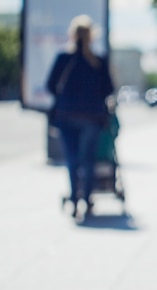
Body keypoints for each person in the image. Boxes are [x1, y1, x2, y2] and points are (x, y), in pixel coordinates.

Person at [46, 14, 114, 218]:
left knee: (72, 159)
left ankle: (75, 199)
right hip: (92, 117)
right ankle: (87, 199)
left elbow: (51, 85)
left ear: (72, 35)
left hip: (66, 115)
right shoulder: (98, 62)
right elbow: (108, 89)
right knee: (88, 159)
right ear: (91, 36)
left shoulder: (63, 59)